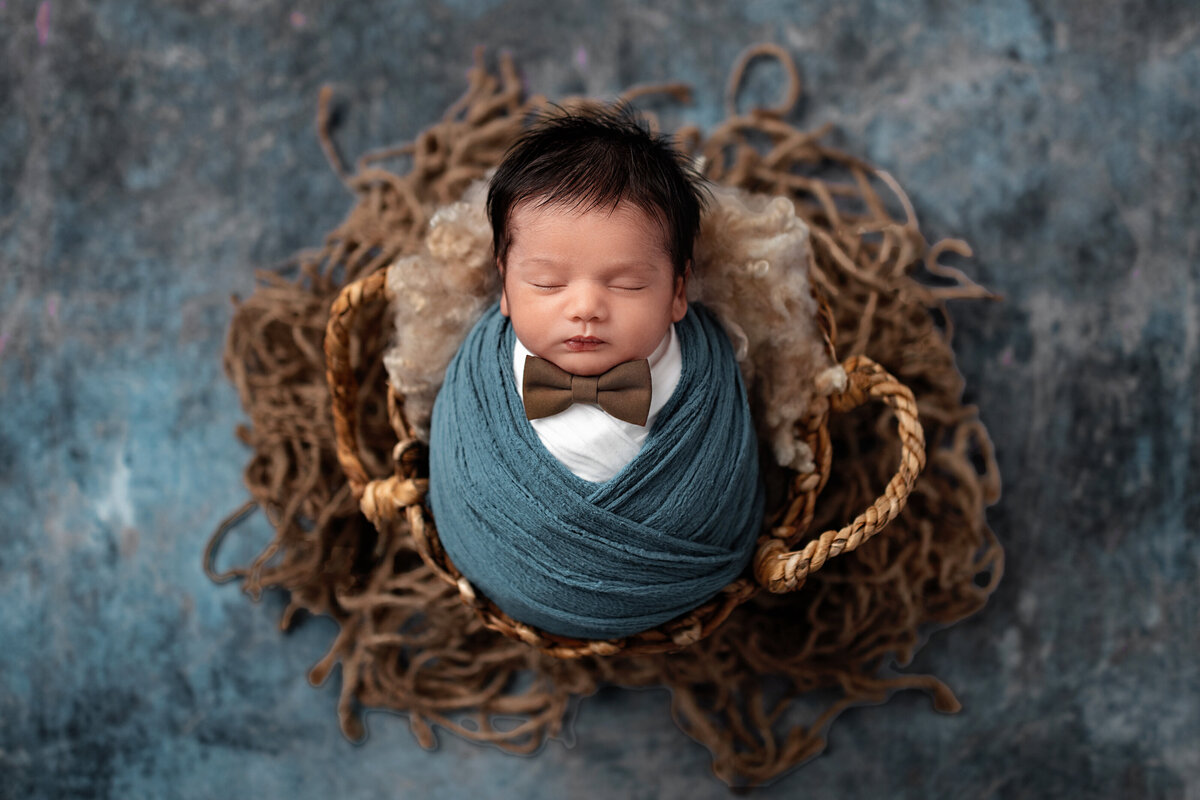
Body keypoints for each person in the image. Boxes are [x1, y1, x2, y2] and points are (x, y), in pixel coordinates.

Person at [428, 105, 764, 640]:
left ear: (678, 292)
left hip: (679, 586)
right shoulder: (479, 379)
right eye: (545, 282)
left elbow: (733, 482)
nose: (585, 307)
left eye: (628, 285)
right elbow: (452, 475)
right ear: (505, 288)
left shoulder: (709, 382)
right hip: (500, 567)